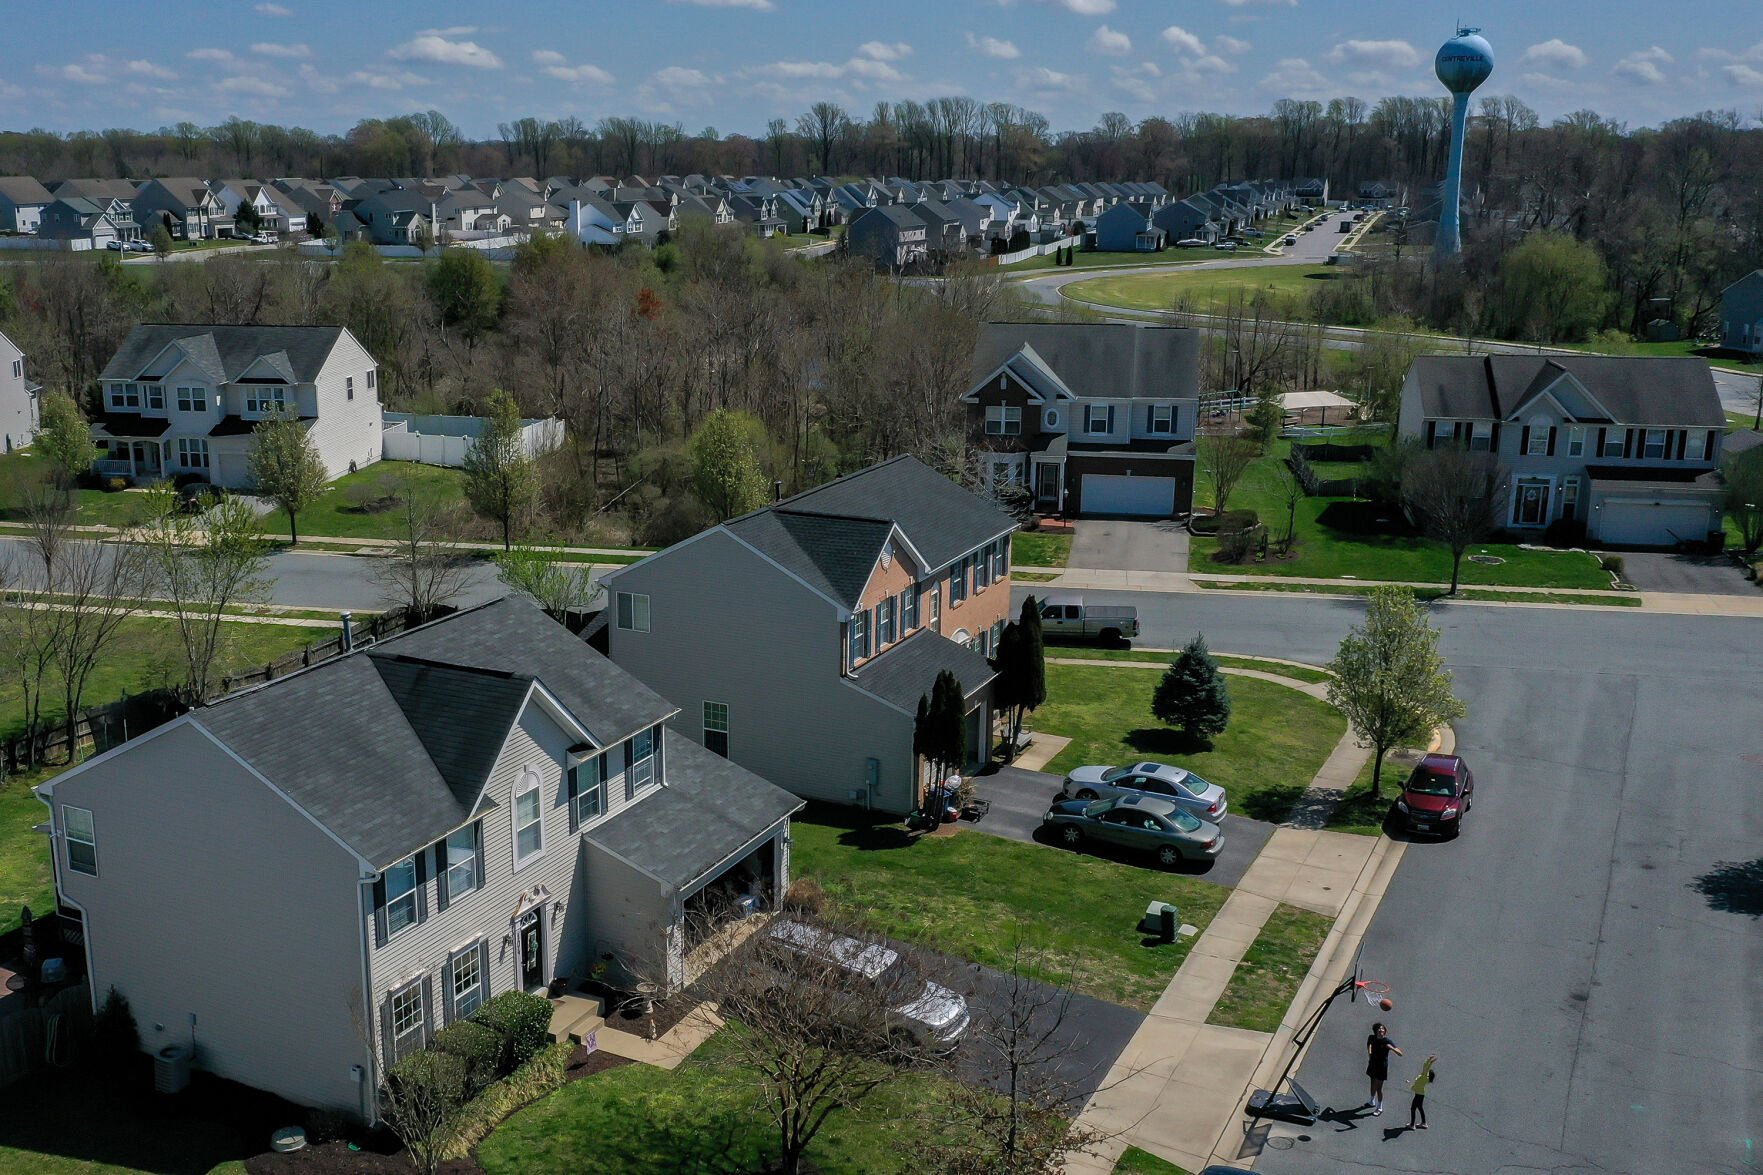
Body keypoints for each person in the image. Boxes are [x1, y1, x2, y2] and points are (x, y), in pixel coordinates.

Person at [1364, 1022, 1402, 1115]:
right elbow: (1369, 1044)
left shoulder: (1387, 1041)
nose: (1381, 1030)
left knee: (1379, 1088)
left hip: (1381, 1067)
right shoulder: (1371, 1038)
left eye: (1383, 1029)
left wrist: (1391, 1048)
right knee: (1372, 1082)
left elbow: (1400, 1053)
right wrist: (1370, 1054)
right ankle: (1372, 1101)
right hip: (1373, 1064)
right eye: (1379, 1029)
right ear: (1376, 1031)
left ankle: (1379, 1107)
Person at [1409, 1054, 1437, 1129]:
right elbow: (1425, 1068)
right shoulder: (1426, 1078)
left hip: (1419, 1094)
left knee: (1413, 1108)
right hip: (1420, 1094)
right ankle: (1423, 1123)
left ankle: (1412, 1124)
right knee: (1419, 1107)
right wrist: (1429, 1060)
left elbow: (1425, 1067)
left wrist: (1430, 1061)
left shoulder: (1424, 1076)